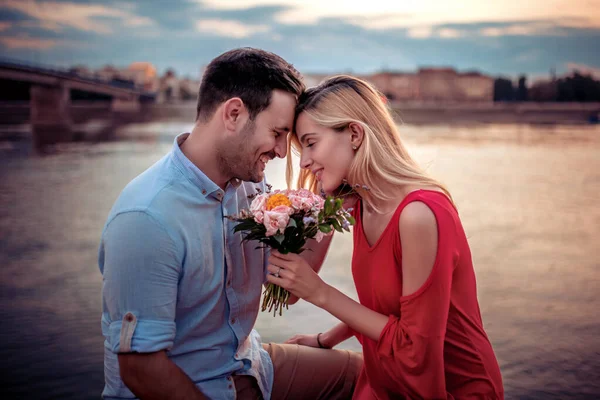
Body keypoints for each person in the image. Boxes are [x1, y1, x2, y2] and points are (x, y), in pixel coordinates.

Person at [98, 49, 362, 400]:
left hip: (249, 365)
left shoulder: (249, 186)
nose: (283, 152)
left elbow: (292, 285)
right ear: (234, 114)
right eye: (278, 133)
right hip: (196, 385)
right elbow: (141, 368)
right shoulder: (147, 218)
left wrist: (332, 205)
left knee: (368, 376)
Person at [267, 75, 504, 399]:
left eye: (310, 142)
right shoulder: (362, 204)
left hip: (449, 388)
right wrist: (326, 340)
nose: (305, 161)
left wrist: (320, 292)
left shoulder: (420, 215)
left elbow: (416, 350)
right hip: (385, 376)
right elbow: (388, 309)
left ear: (354, 134)